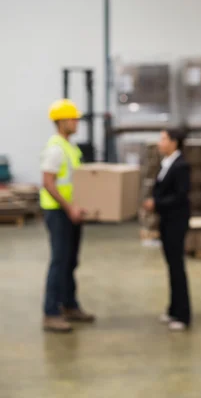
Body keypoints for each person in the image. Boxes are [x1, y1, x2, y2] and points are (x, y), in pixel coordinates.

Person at [41, 99, 95, 333]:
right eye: (73, 118)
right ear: (61, 121)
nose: (76, 122)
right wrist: (69, 208)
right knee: (59, 261)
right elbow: (48, 183)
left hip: (71, 212)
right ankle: (51, 312)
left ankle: (69, 306)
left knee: (70, 261)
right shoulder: (55, 148)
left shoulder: (70, 147)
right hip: (58, 213)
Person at [143, 129, 191, 331]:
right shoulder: (167, 163)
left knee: (177, 267)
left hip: (176, 222)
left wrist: (157, 203)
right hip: (167, 221)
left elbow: (180, 196)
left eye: (163, 139)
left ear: (174, 142)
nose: (159, 143)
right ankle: (173, 308)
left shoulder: (181, 165)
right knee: (171, 266)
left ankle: (183, 314)